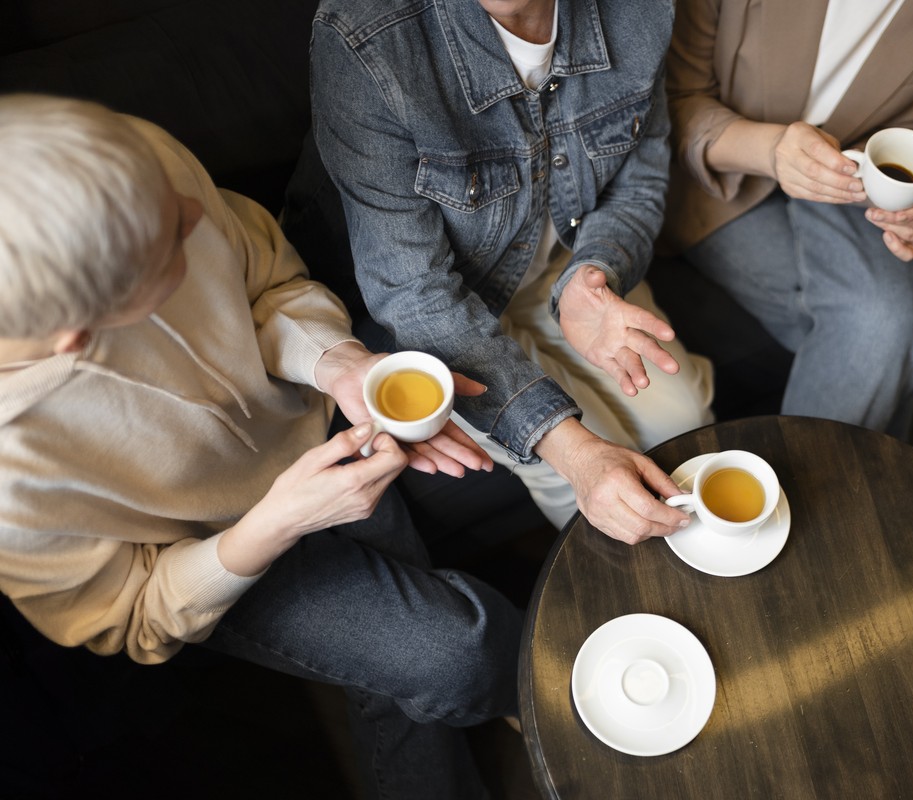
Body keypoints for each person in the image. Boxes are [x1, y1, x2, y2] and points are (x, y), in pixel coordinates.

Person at [0, 94, 522, 800]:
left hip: (317, 421)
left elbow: (267, 282)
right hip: (213, 558)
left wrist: (335, 362)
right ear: (79, 336)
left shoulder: (146, 163)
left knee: (417, 666)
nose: (197, 209)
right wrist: (280, 522)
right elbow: (135, 616)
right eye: (172, 242)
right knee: (461, 653)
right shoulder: (11, 485)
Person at [290, 0, 715, 544]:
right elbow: (412, 291)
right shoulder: (366, 37)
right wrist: (574, 453)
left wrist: (595, 271)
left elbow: (640, 182)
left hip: (564, 256)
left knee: (685, 421)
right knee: (581, 474)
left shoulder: (640, 10)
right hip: (431, 298)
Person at [664, 0, 913, 436]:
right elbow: (672, 98)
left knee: (881, 328)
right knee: (895, 337)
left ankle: (797, 481)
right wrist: (772, 150)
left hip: (853, 179)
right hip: (719, 169)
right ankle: (828, 482)